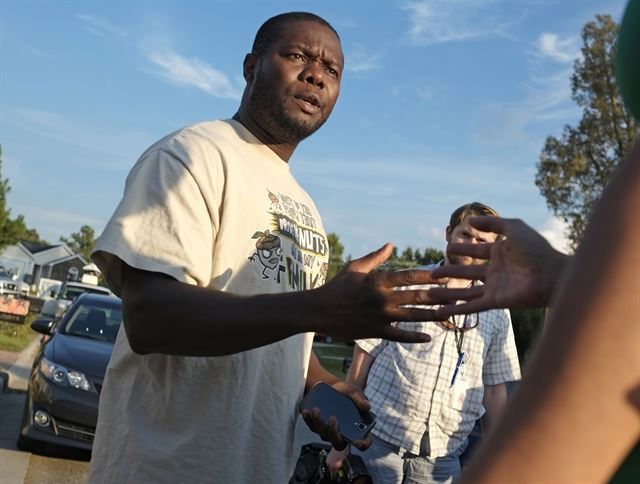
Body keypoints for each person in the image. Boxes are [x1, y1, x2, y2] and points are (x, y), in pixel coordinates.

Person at [88, 12, 443, 484]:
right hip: (166, 468)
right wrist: (318, 307)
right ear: (251, 66)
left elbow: (287, 341)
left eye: (332, 70)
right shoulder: (191, 156)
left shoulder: (305, 206)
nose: (316, 74)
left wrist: (323, 384)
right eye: (297, 56)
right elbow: (151, 317)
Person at [326, 202, 521, 484]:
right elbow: (363, 356)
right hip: (377, 440)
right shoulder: (407, 286)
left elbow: (495, 390)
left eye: (482, 241)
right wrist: (341, 442)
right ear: (448, 233)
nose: (471, 245)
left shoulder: (497, 308)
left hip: (443, 458)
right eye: (465, 235)